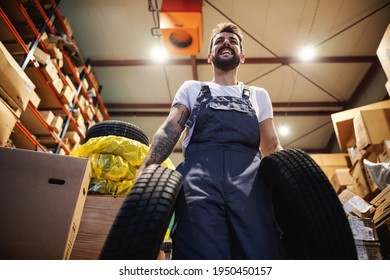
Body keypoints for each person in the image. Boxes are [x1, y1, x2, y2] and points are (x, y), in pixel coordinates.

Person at [138, 22, 285, 259]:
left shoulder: (258, 95)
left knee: (260, 251)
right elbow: (169, 130)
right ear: (209, 56)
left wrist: (293, 185)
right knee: (199, 251)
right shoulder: (193, 88)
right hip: (198, 181)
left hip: (251, 184)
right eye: (219, 40)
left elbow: (271, 146)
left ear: (242, 56)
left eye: (233, 41)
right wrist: (145, 170)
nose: (226, 42)